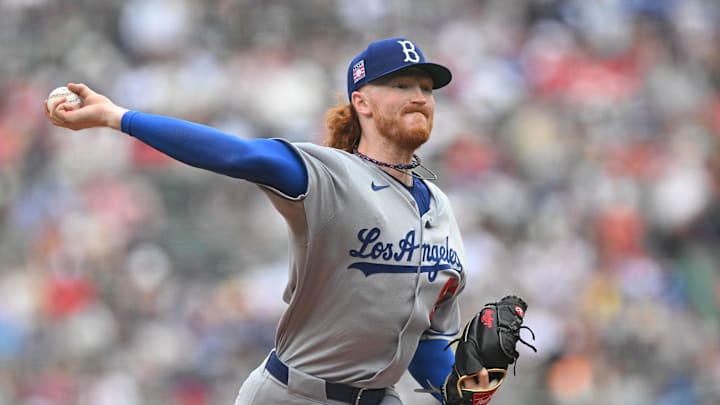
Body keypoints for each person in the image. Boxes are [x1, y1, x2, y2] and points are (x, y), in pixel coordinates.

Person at [45, 37, 489, 405]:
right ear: (362, 103)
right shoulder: (329, 175)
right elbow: (237, 154)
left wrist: (473, 388)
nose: (419, 97)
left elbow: (428, 341)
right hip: (293, 396)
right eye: (401, 84)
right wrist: (117, 116)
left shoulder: (441, 209)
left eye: (427, 88)